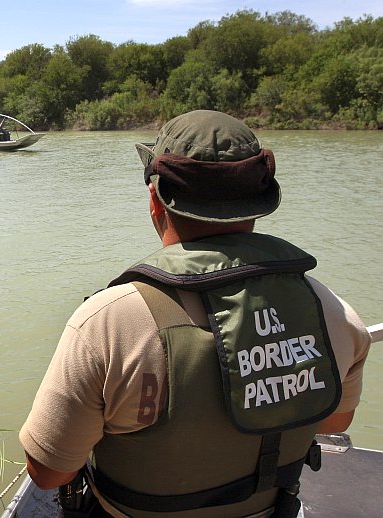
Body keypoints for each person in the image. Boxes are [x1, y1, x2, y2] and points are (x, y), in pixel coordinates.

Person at [19, 110, 371, 517]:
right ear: (257, 204)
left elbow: (47, 473)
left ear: (155, 200)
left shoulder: (108, 324)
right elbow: (334, 422)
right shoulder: (334, 313)